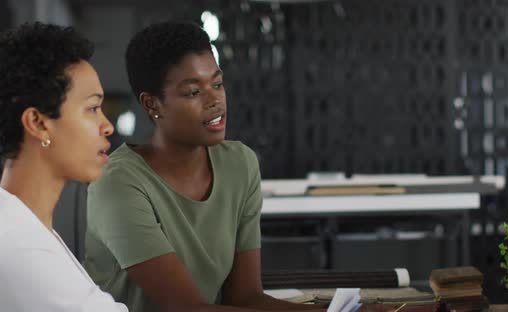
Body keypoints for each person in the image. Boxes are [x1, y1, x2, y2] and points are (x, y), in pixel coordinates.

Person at [84, 21, 393, 312]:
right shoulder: (118, 183)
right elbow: (187, 310)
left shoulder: (239, 163)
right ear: (152, 104)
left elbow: (246, 297)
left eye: (217, 84)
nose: (214, 100)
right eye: (194, 92)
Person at [0, 22, 128, 312]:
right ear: (38, 123)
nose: (107, 126)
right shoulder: (16, 251)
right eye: (92, 108)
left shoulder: (28, 230)